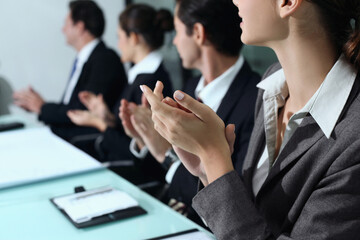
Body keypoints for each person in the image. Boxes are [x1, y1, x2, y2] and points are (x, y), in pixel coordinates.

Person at [142, 0, 360, 239]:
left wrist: (215, 157)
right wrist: (207, 170)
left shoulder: (354, 139)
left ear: (287, 3)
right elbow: (253, 215)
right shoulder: (272, 84)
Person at [119, 0, 260, 224]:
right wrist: (144, 140)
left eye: (176, 31)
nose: (174, 41)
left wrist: (166, 156)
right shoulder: (189, 87)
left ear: (197, 32)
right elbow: (163, 177)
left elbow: (235, 197)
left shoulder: (256, 100)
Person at [67, 4, 174, 172]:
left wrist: (99, 123)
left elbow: (140, 151)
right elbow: (128, 130)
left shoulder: (150, 82)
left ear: (134, 38)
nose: (118, 45)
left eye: (119, 37)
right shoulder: (142, 75)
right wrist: (107, 116)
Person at [13, 0, 126, 141]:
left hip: (86, 142)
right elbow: (71, 106)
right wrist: (41, 107)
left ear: (79, 27)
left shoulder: (105, 60)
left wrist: (43, 108)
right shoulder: (84, 59)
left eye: (66, 24)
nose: (63, 29)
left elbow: (81, 112)